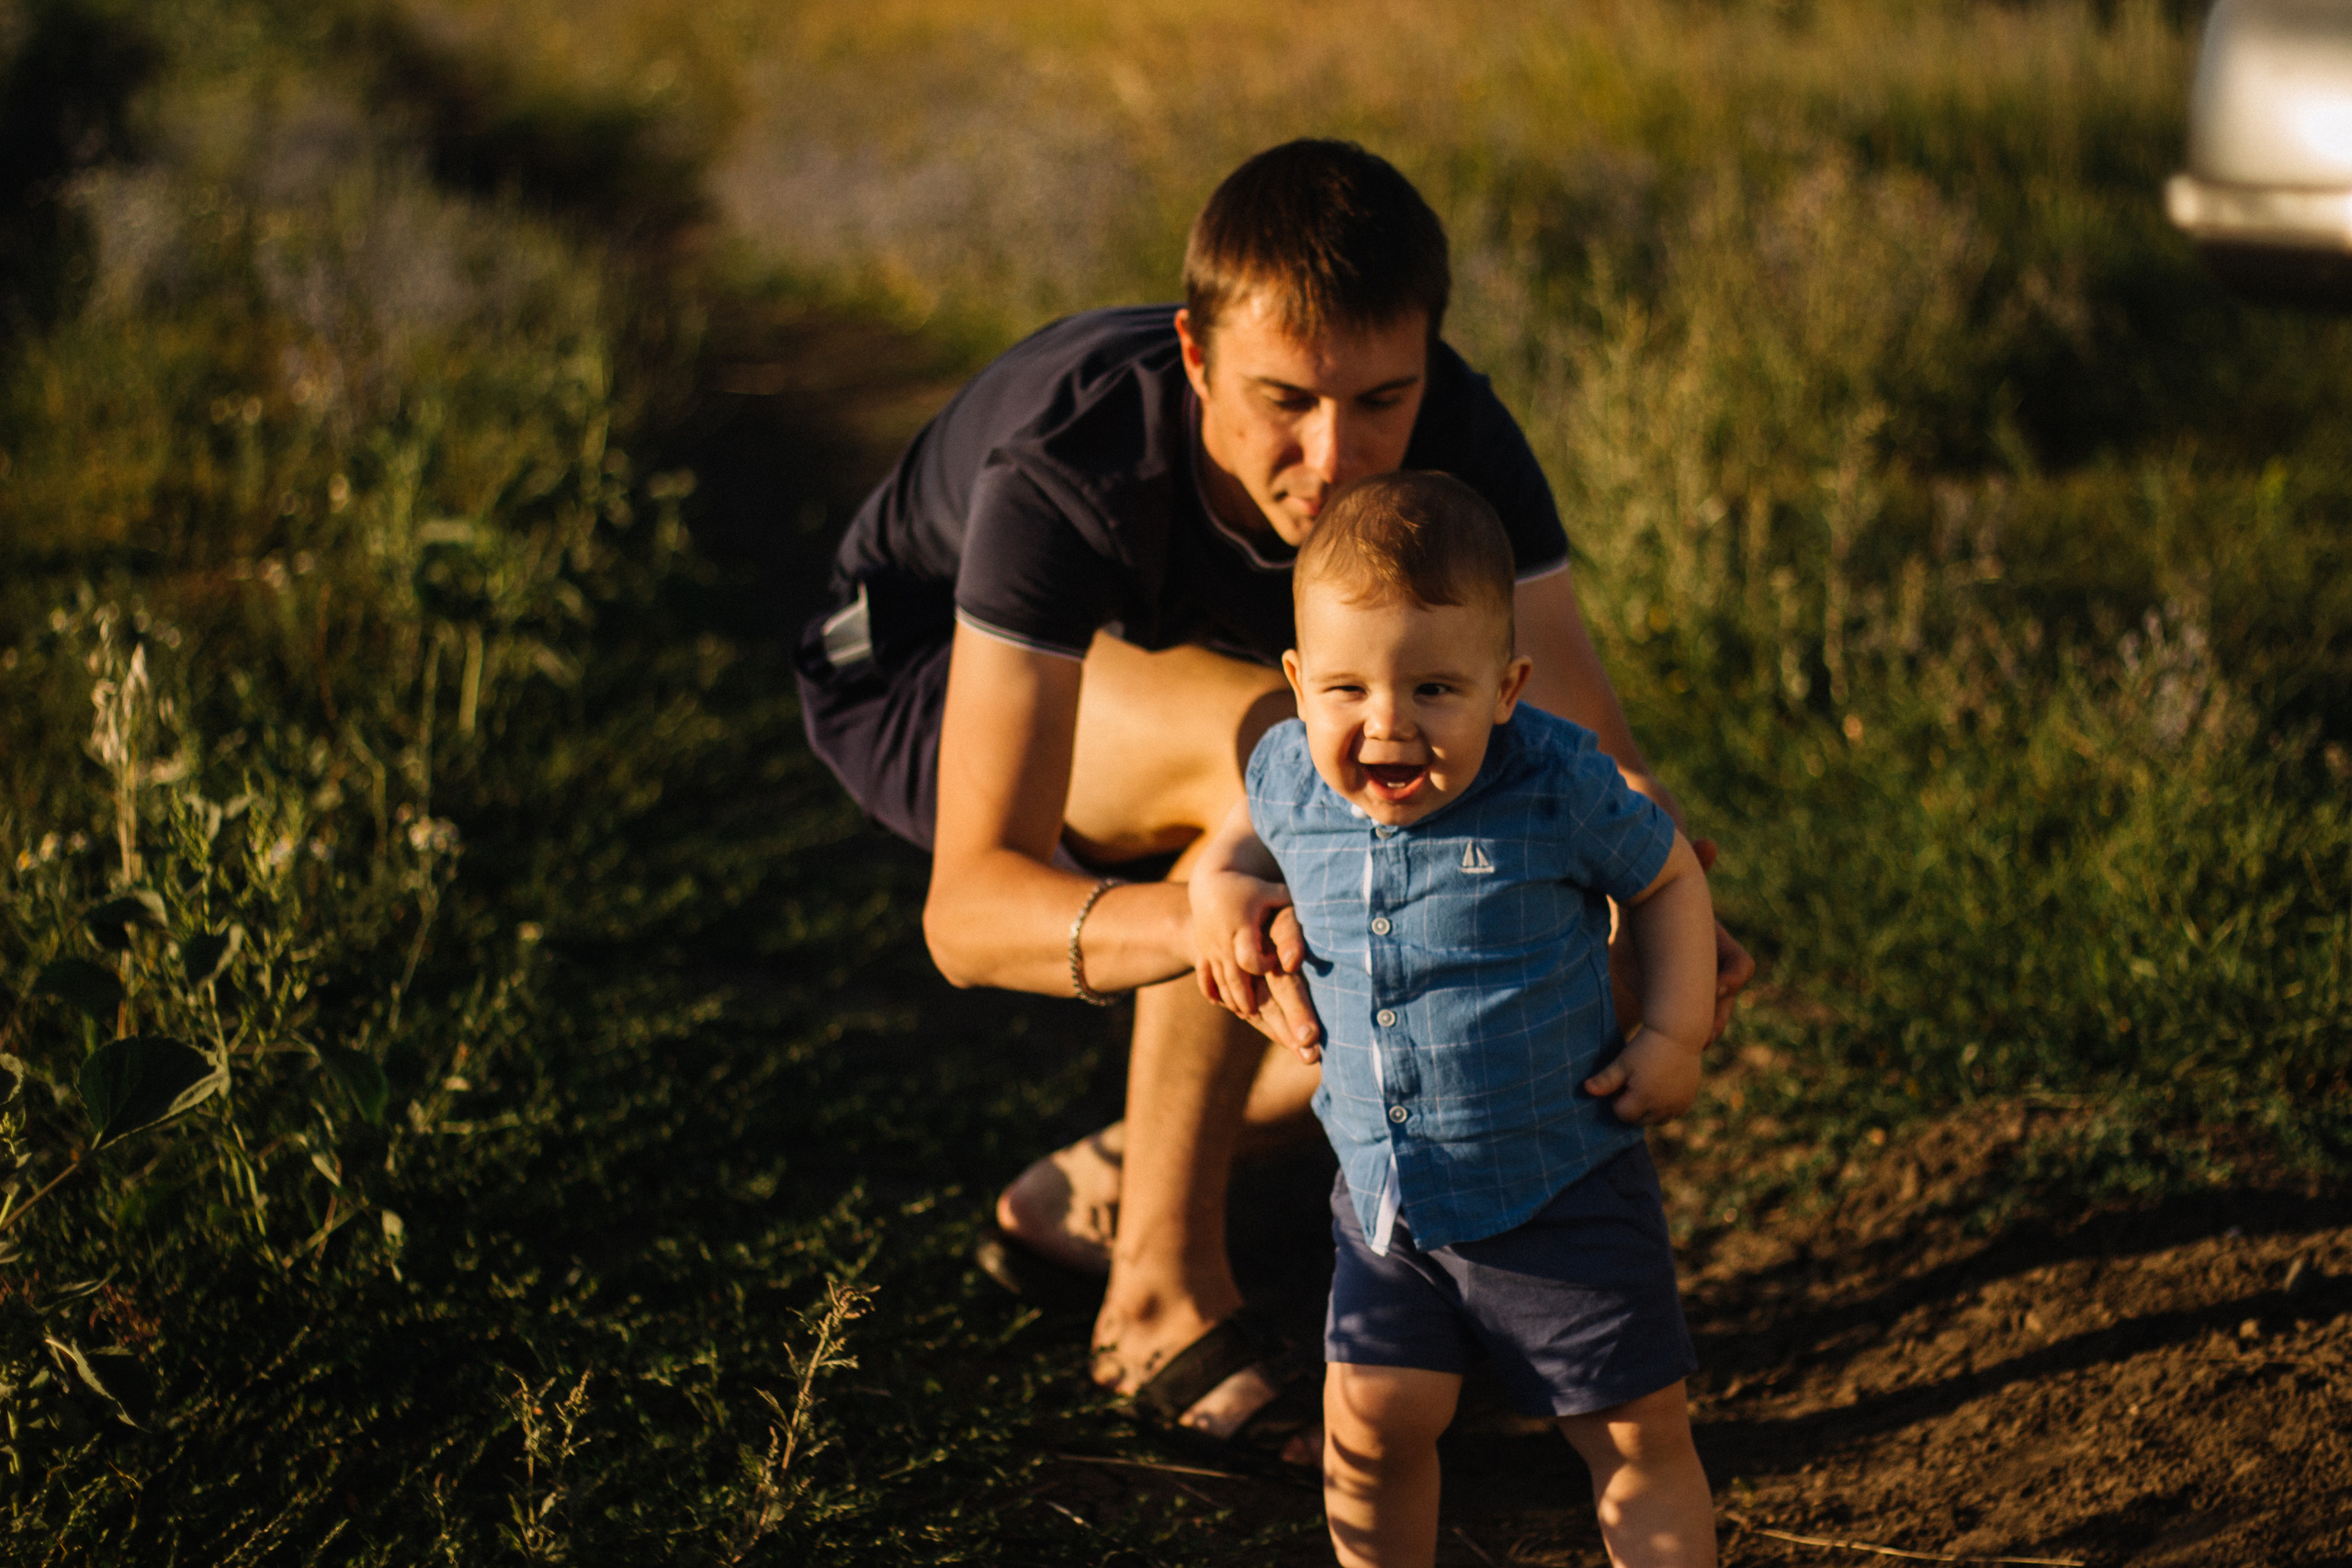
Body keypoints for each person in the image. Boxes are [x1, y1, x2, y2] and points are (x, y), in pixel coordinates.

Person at [793, 138, 1753, 1461]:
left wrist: (1660, 906)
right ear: (1194, 355)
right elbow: (971, 910)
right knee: (1284, 774)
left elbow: (1577, 744)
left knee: (1457, 873)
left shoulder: (1459, 427)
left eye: (1381, 400)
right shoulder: (1073, 459)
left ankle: (1113, 1172)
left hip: (1215, 697)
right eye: (1283, 400)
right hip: (916, 669)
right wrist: (1203, 921)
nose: (1338, 452)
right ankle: (1152, 1295)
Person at [1191, 470, 1716, 1568]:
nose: (1386, 725)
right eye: (1345, 690)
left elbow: (1666, 880)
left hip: (1560, 1184)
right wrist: (1219, 889)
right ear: (1297, 684)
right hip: (1388, 1205)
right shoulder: (1289, 774)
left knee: (1632, 1438)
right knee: (1369, 1431)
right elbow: (1239, 840)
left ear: (1506, 686)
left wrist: (1674, 1036)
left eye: (1435, 690)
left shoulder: (1551, 787)